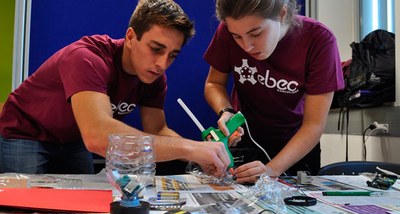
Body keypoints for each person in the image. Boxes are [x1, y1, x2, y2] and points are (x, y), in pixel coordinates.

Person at [0, 0, 230, 176]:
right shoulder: (86, 58)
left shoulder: (152, 77)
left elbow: (158, 130)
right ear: (131, 37)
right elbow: (98, 136)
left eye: (172, 55)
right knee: (22, 213)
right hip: (25, 133)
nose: (162, 64)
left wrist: (201, 154)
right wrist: (189, 149)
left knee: (82, 207)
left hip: (72, 140)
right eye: (156, 48)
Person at [203, 0, 345, 183]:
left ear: (282, 14)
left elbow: (314, 125)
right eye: (237, 37)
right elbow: (214, 84)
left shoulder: (319, 39)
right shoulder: (225, 31)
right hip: (246, 141)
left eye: (256, 33)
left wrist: (272, 169)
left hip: (296, 146)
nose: (247, 46)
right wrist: (226, 111)